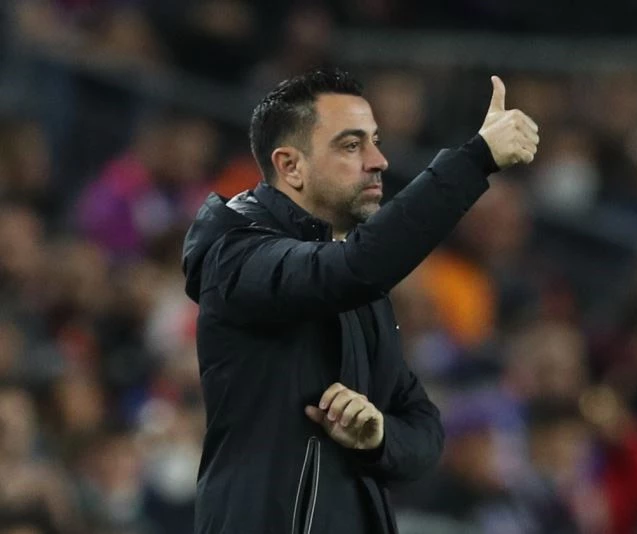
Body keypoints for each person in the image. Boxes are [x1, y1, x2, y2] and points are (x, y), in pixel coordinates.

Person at [181, 67, 540, 534]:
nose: (379, 161)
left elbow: (424, 431)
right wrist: (475, 159)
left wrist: (378, 436)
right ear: (290, 165)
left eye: (375, 142)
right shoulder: (237, 256)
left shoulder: (354, 281)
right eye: (351, 146)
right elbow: (354, 268)